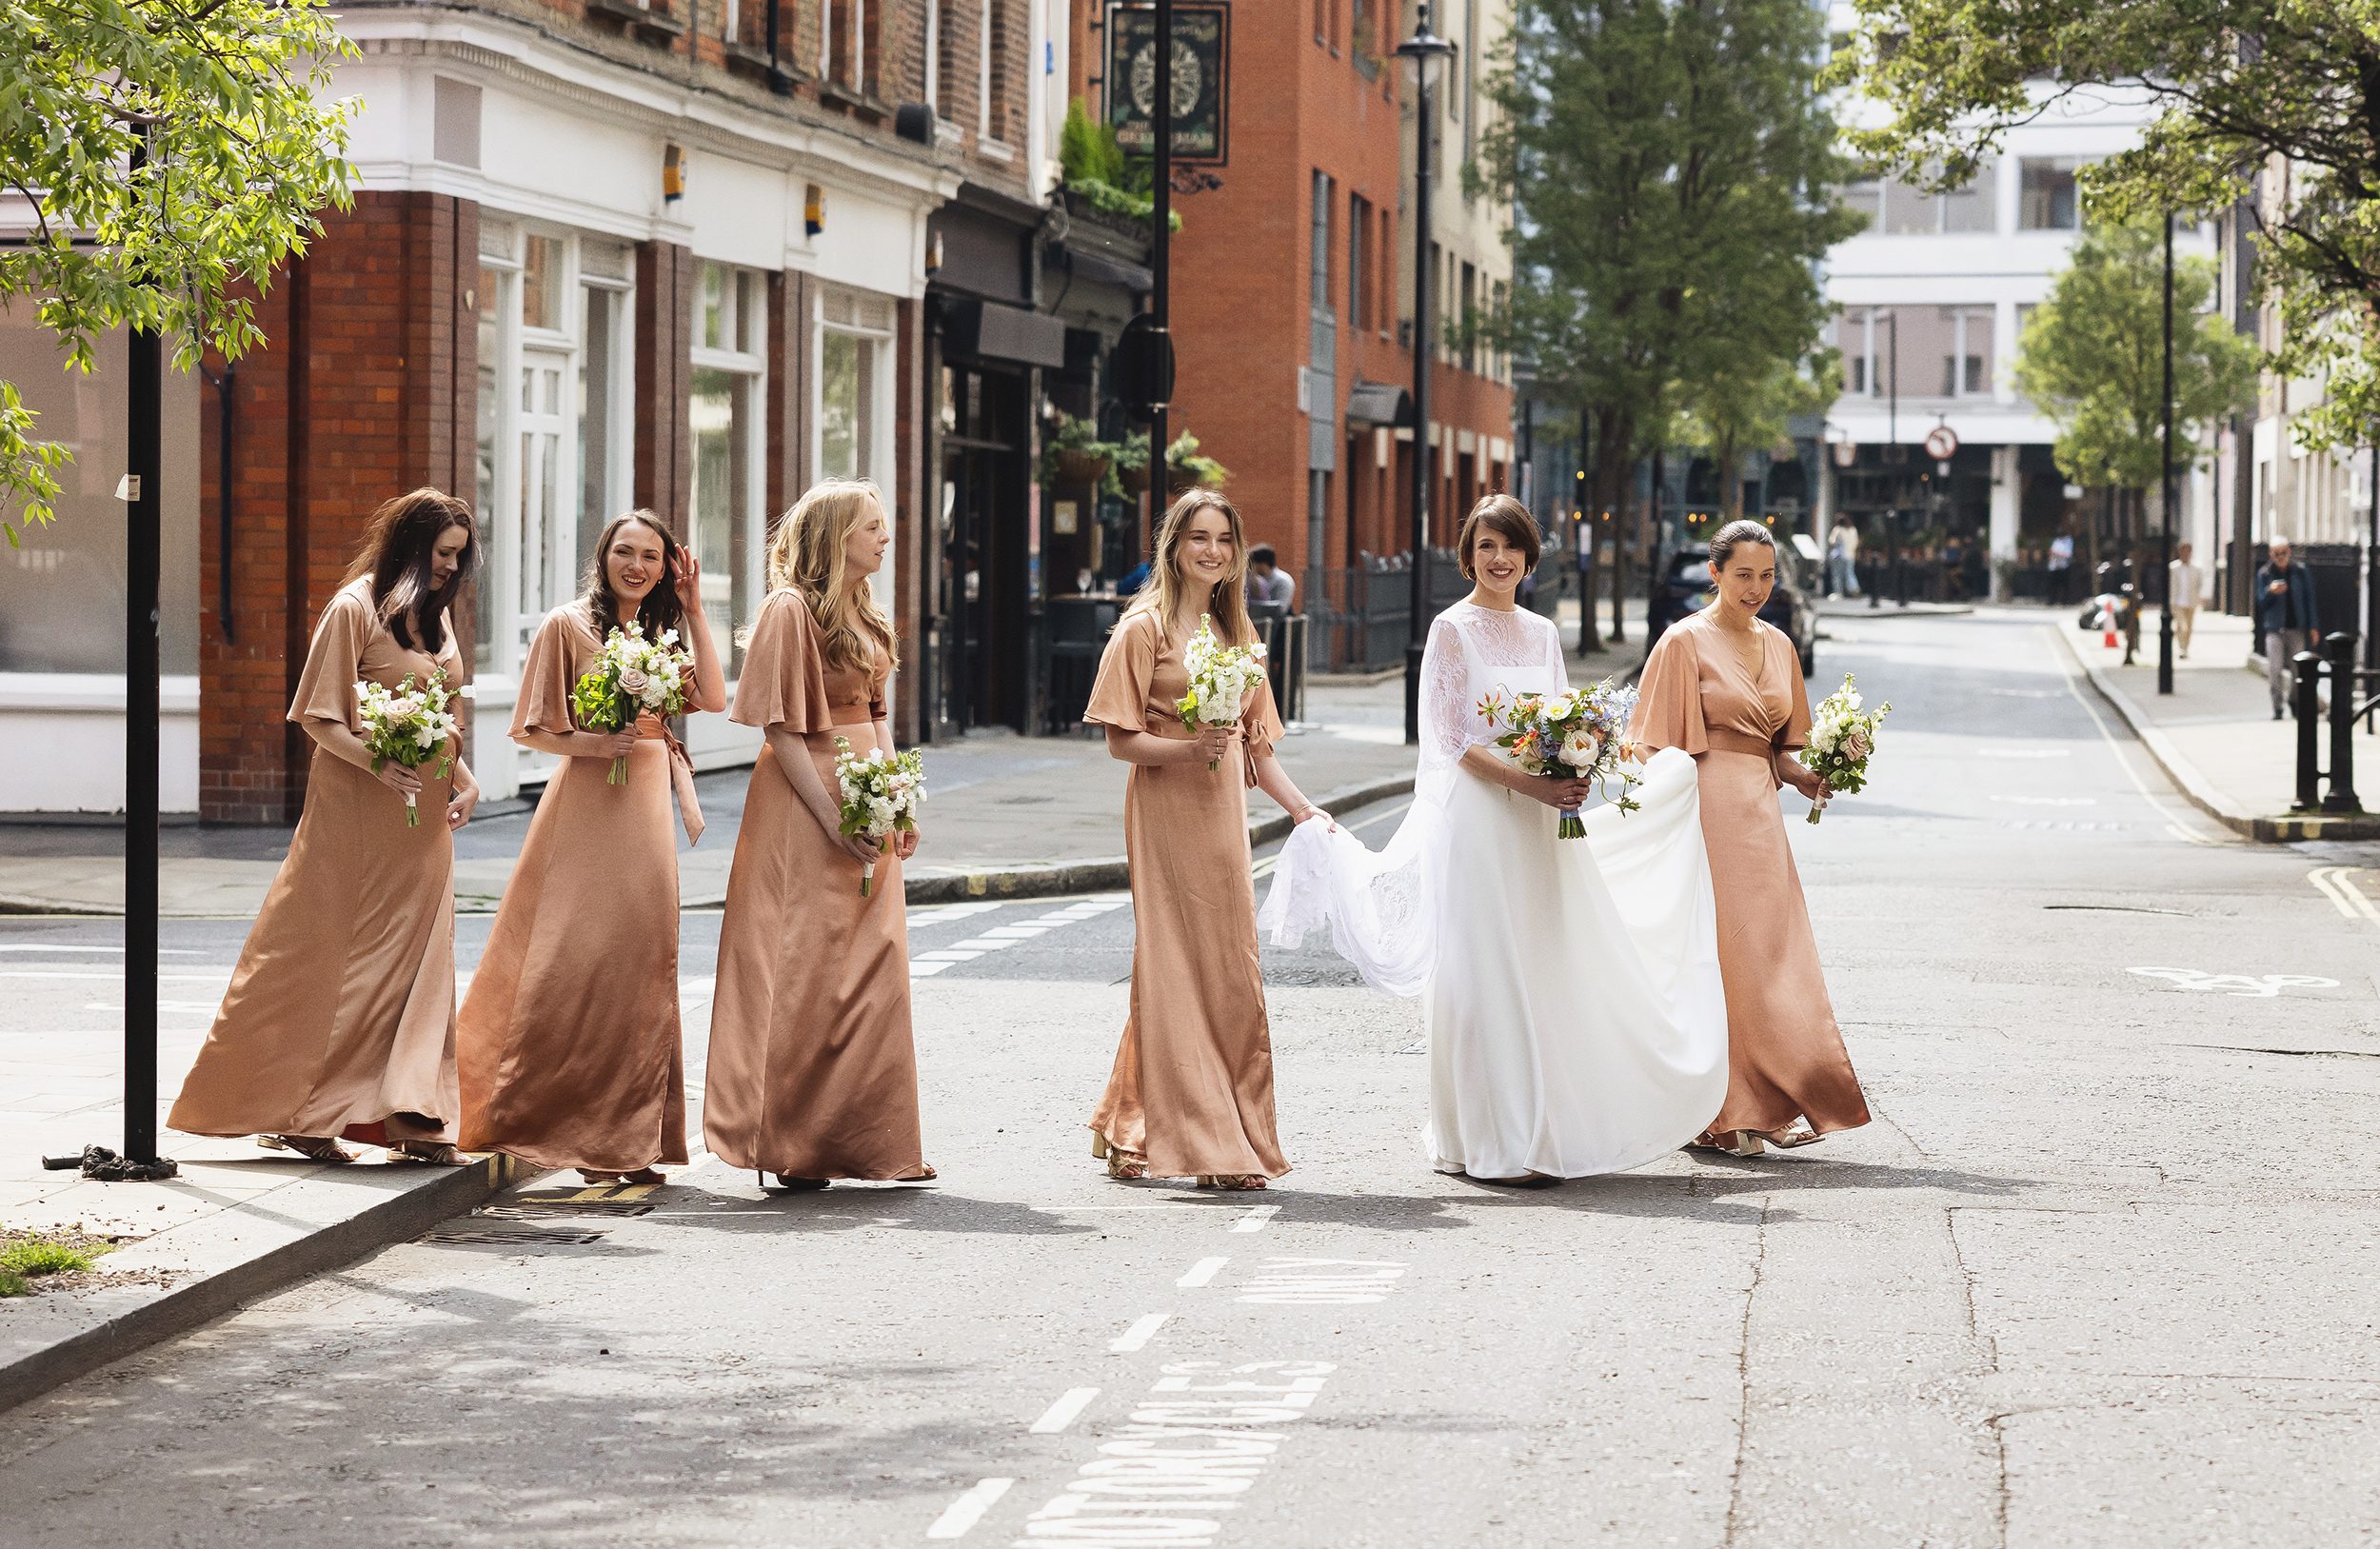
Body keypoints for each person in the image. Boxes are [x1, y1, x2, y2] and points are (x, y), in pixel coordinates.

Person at [1261, 495, 1728, 1184]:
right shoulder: (1453, 630)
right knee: (1485, 974)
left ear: (1529, 557)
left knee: (1540, 969)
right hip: (1480, 821)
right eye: (1485, 546)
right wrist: (1535, 786)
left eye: (1510, 546)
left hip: (1540, 826)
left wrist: (1586, 767)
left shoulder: (1542, 633)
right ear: (1468, 554)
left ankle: (1540, 1129)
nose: (1499, 558)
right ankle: (1487, 1136)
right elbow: (1451, 741)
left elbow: (1569, 718)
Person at [169, 488, 485, 1165]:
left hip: (423, 821)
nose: (452, 569)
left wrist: (464, 778)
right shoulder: (353, 609)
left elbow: (443, 715)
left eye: (460, 558)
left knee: (421, 961)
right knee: (339, 957)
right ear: (408, 546)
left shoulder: (437, 613)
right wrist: (378, 762)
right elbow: (318, 716)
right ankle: (304, 1110)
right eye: (443, 554)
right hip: (357, 809)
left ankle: (413, 1114)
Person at [457, 511, 724, 1186]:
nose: (637, 565)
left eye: (652, 556)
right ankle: (564, 1125)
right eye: (624, 551)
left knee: (639, 967)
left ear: (669, 567)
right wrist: (592, 744)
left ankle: (623, 1138)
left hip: (646, 813)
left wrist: (694, 611)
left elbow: (715, 699)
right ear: (603, 556)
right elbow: (529, 728)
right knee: (570, 962)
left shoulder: (664, 633)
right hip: (584, 808)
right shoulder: (565, 625)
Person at [1083, 488, 1332, 1191]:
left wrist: (1305, 811)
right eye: (1199, 537)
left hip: (1224, 818)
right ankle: (1210, 1145)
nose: (1213, 551)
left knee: (1224, 965)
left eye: (1224, 538)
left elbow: (1259, 749)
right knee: (1172, 963)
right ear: (1174, 545)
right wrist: (1189, 749)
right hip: (1164, 809)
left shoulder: (1242, 637)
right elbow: (1119, 741)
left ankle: (1133, 1123)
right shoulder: (1143, 630)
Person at [705, 479, 936, 1192]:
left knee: (872, 968)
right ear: (836, 536)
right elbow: (780, 729)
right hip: (805, 803)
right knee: (808, 968)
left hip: (867, 797)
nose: (884, 536)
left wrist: (897, 799)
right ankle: (795, 1142)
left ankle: (862, 1139)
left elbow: (877, 712)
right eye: (872, 525)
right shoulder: (789, 610)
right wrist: (833, 817)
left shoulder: (864, 610)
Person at [1630, 519, 1872, 1156]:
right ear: (1715, 573)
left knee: (1768, 958)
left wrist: (1817, 773)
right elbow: (1646, 743)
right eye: (1744, 575)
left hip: (1761, 820)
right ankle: (1722, 1111)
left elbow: (1781, 751)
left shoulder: (1782, 646)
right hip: (1704, 813)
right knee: (1723, 959)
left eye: (1767, 576)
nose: (1757, 587)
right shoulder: (1682, 642)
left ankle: (1765, 1100)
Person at [2255, 538, 2322, 719]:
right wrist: (2270, 591)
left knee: (2297, 671)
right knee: (2274, 670)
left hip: (2296, 628)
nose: (2280, 557)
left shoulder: (2300, 571)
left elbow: (2310, 600)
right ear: (2271, 555)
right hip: (2274, 629)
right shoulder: (2264, 573)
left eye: (2283, 553)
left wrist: (2313, 626)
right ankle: (2277, 707)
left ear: (2289, 552)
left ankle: (2294, 701)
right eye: (2276, 554)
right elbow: (2260, 602)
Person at [2168, 540, 2201, 660]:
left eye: (2188, 551)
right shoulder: (2173, 568)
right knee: (2182, 626)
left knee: (2189, 627)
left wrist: (2200, 600)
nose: (2185, 554)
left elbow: (2199, 585)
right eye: (2183, 551)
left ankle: (2186, 648)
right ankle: (2181, 648)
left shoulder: (2196, 569)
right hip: (2177, 602)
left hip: (2191, 602)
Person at [1246, 544, 1297, 611]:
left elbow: (1281, 608)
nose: (1251, 568)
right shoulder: (1256, 580)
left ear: (1263, 564)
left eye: (1253, 564)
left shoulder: (1283, 580)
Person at [1827, 517, 1861, 598]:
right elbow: (1856, 543)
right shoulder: (1853, 530)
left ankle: (1838, 592)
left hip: (1839, 556)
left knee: (1837, 574)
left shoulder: (1838, 529)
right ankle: (1854, 589)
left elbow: (1832, 541)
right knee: (1850, 572)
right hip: (1850, 555)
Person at [2047, 532, 2074, 606]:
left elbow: (2068, 554)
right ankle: (2052, 600)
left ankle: (2064, 601)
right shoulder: (2056, 542)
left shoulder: (2068, 541)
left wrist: (2058, 554)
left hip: (2063, 566)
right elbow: (2051, 552)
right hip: (2054, 567)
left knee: (2064, 585)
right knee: (2053, 585)